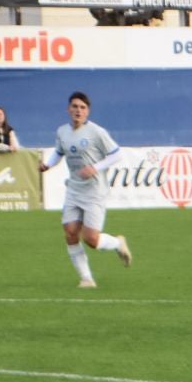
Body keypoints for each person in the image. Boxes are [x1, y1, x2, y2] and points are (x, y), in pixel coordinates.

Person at [38, 92, 131, 289]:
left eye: (82, 108)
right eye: (74, 107)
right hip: (74, 189)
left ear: (87, 111)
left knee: (91, 239)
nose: (78, 111)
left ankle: (117, 243)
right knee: (70, 232)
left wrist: (95, 168)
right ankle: (87, 279)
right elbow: (58, 152)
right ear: (68, 109)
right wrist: (48, 165)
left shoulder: (97, 132)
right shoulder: (62, 131)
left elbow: (117, 154)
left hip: (95, 191)